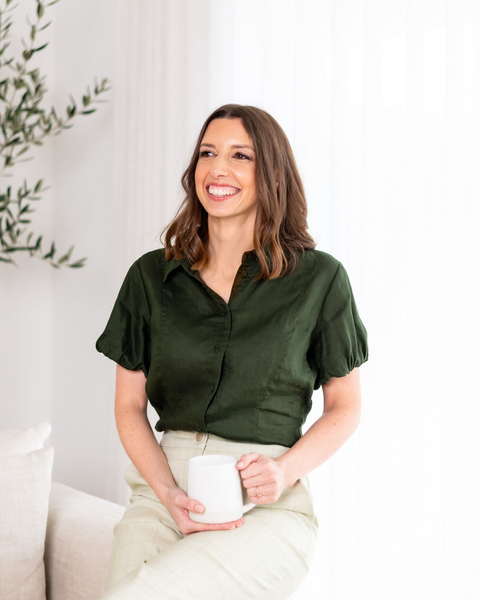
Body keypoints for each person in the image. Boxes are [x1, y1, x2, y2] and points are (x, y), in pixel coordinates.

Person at [96, 104, 368, 600]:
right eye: (207, 153)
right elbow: (129, 405)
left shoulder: (320, 279)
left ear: (272, 174)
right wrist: (167, 492)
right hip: (163, 493)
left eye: (240, 156)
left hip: (266, 502)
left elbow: (345, 407)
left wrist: (283, 472)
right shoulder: (150, 277)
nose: (218, 168)